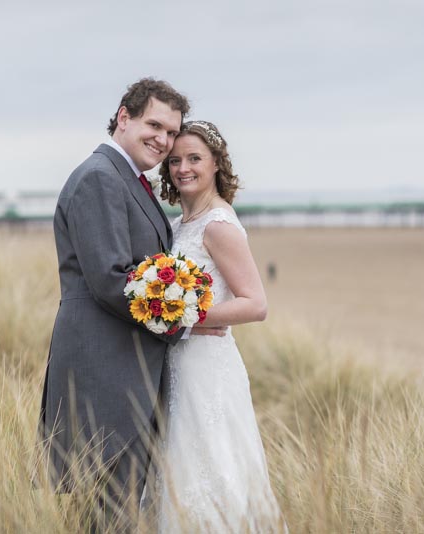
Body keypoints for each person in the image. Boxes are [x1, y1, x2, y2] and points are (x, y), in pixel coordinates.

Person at [37, 79, 223, 531]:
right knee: (110, 512)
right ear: (124, 117)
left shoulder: (127, 180)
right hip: (106, 373)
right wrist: (184, 321)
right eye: (153, 125)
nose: (162, 140)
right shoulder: (100, 177)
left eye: (170, 132)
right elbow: (111, 279)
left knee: (114, 511)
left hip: (125, 369)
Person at [148, 121, 286, 532]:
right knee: (180, 465)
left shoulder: (218, 225)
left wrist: (182, 319)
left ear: (215, 164)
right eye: (175, 160)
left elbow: (255, 304)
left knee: (213, 466)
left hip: (207, 368)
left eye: (194, 159)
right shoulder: (179, 224)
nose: (182, 168)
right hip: (179, 364)